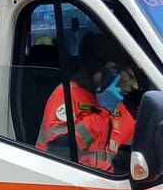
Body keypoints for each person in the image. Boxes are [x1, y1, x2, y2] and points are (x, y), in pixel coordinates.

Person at [36, 34, 138, 173]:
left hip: (100, 182)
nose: (135, 86)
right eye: (115, 71)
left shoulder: (103, 99)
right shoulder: (66, 94)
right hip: (62, 181)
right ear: (106, 69)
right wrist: (102, 113)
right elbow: (58, 149)